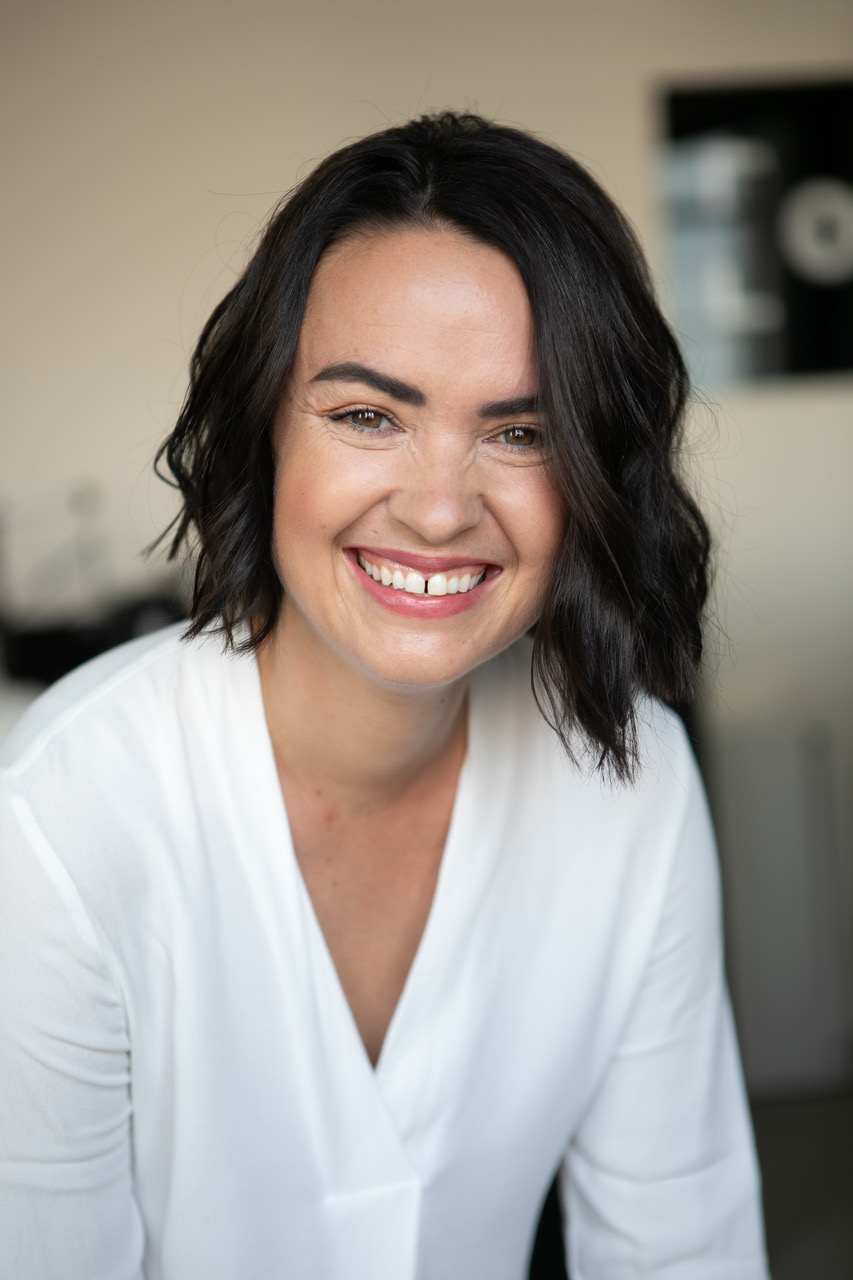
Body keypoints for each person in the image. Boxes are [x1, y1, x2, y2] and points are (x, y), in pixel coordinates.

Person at [0, 113, 769, 1279]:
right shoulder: (63, 815)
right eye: (368, 415)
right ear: (264, 428)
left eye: (520, 432)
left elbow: (681, 1246)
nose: (439, 508)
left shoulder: (631, 781)